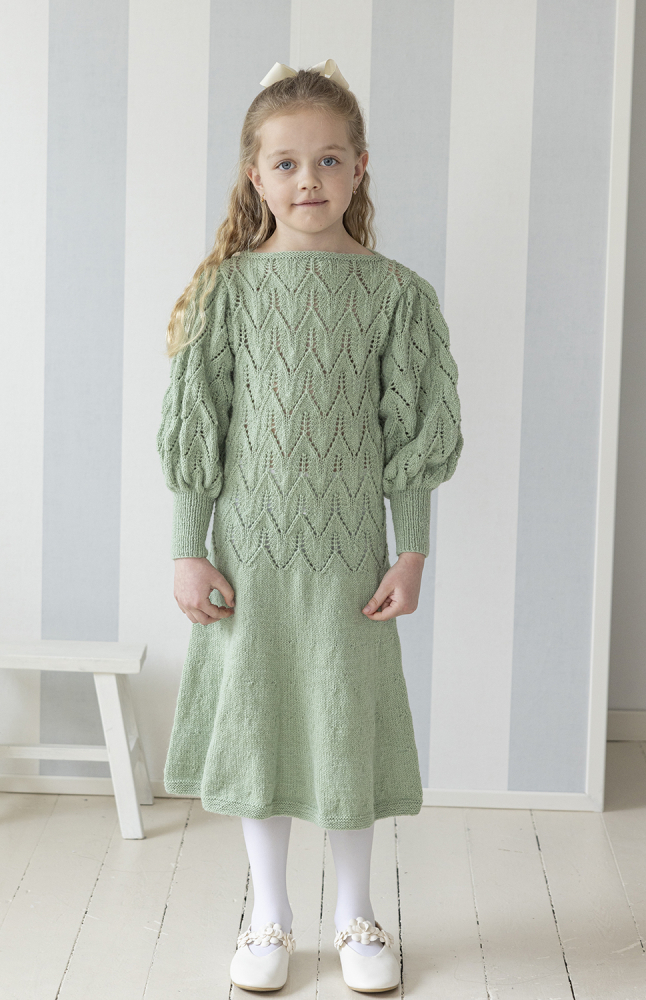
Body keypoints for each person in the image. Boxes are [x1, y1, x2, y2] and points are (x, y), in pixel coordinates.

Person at [156, 58, 464, 993]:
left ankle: (357, 912)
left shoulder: (396, 295)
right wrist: (188, 546)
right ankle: (270, 915)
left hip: (349, 563)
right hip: (248, 559)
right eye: (286, 163)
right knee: (261, 727)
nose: (309, 181)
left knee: (342, 725)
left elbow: (414, 435)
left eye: (329, 160)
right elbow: (198, 425)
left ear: (359, 167)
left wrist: (412, 551)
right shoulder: (229, 292)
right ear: (256, 175)